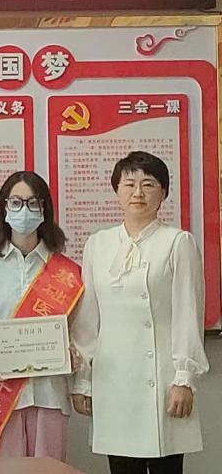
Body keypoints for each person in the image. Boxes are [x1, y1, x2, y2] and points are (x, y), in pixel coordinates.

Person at [71, 151, 208, 474]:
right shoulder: (98, 244)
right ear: (116, 190)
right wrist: (83, 381)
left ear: (163, 193)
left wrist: (184, 379)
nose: (138, 193)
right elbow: (88, 320)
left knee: (165, 466)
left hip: (162, 380)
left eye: (148, 185)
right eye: (129, 184)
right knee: (121, 466)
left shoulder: (177, 242)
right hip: (113, 380)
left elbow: (188, 314)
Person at [0, 171, 81, 460]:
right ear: (3, 209)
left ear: (45, 209)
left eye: (33, 203)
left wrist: (75, 355)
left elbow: (81, 332)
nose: (24, 210)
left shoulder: (68, 272)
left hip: (50, 394)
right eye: (15, 202)